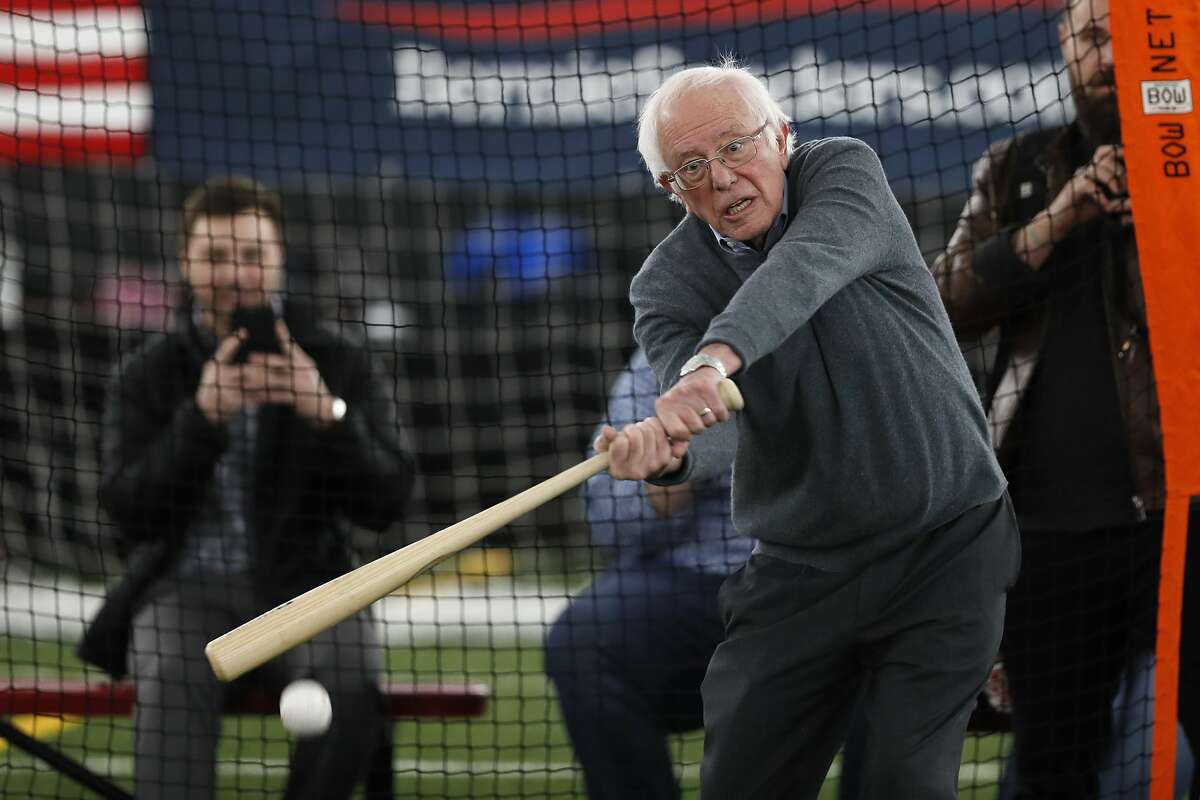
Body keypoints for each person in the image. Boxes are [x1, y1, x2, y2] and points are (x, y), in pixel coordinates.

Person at [595, 59, 1021, 799]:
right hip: (801, 570)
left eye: (736, 146)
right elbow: (718, 429)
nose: (722, 178)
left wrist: (710, 363)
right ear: (671, 190)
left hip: (947, 545)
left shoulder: (844, 173)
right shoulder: (664, 287)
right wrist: (669, 451)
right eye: (691, 167)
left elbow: (803, 272)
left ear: (782, 135)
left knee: (901, 785)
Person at [931, 0, 1198, 796]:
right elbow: (944, 308)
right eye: (1090, 38)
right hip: (1051, 532)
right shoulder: (1017, 169)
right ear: (1064, 46)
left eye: (1125, 39)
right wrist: (1061, 214)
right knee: (1052, 760)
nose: (1109, 57)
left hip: (1182, 517)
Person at [78, 176, 416, 799]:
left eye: (253, 255)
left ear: (280, 257)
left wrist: (328, 412)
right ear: (185, 262)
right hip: (184, 590)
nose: (235, 273)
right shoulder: (147, 375)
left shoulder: (337, 360)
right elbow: (125, 513)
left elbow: (388, 501)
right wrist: (200, 419)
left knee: (346, 689)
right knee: (170, 680)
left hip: (310, 585)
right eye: (214, 256)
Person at [544, 348, 752, 800]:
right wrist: (666, 480)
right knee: (586, 639)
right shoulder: (660, 359)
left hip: (829, 577)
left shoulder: (841, 330)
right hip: (702, 586)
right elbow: (608, 522)